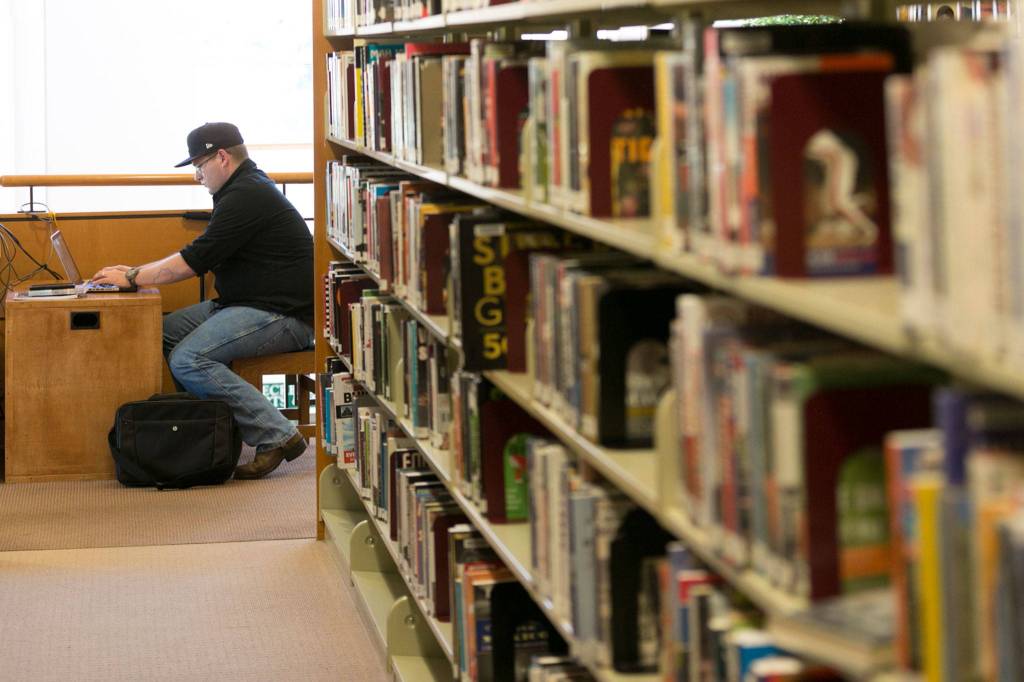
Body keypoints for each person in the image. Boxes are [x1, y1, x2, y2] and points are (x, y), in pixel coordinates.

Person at [92, 122, 314, 480]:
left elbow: (192, 262)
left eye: (199, 165)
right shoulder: (241, 189)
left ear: (222, 157)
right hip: (243, 303)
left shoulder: (247, 195)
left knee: (188, 358)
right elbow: (195, 254)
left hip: (283, 315)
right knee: (160, 333)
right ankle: (207, 431)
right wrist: (134, 271)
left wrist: (132, 277)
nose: (197, 175)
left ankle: (277, 434)